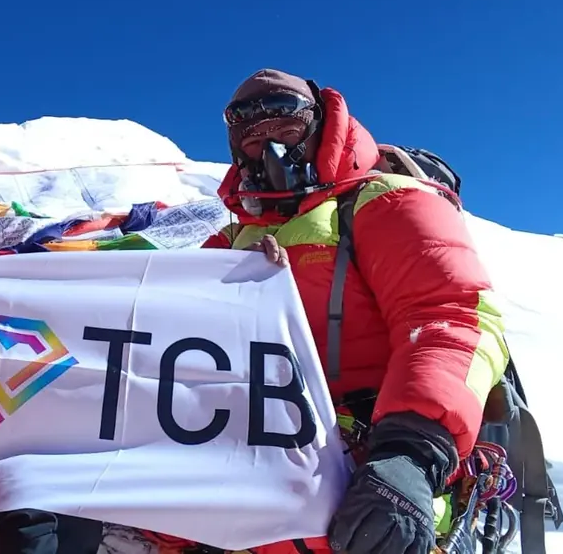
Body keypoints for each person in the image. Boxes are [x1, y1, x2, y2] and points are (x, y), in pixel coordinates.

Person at [197, 69, 512, 554]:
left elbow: (450, 318)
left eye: (285, 130)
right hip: (231, 474)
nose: (270, 149)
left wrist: (410, 454)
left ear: (320, 126)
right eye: (254, 139)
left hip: (369, 480)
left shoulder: (386, 202)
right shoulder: (228, 240)